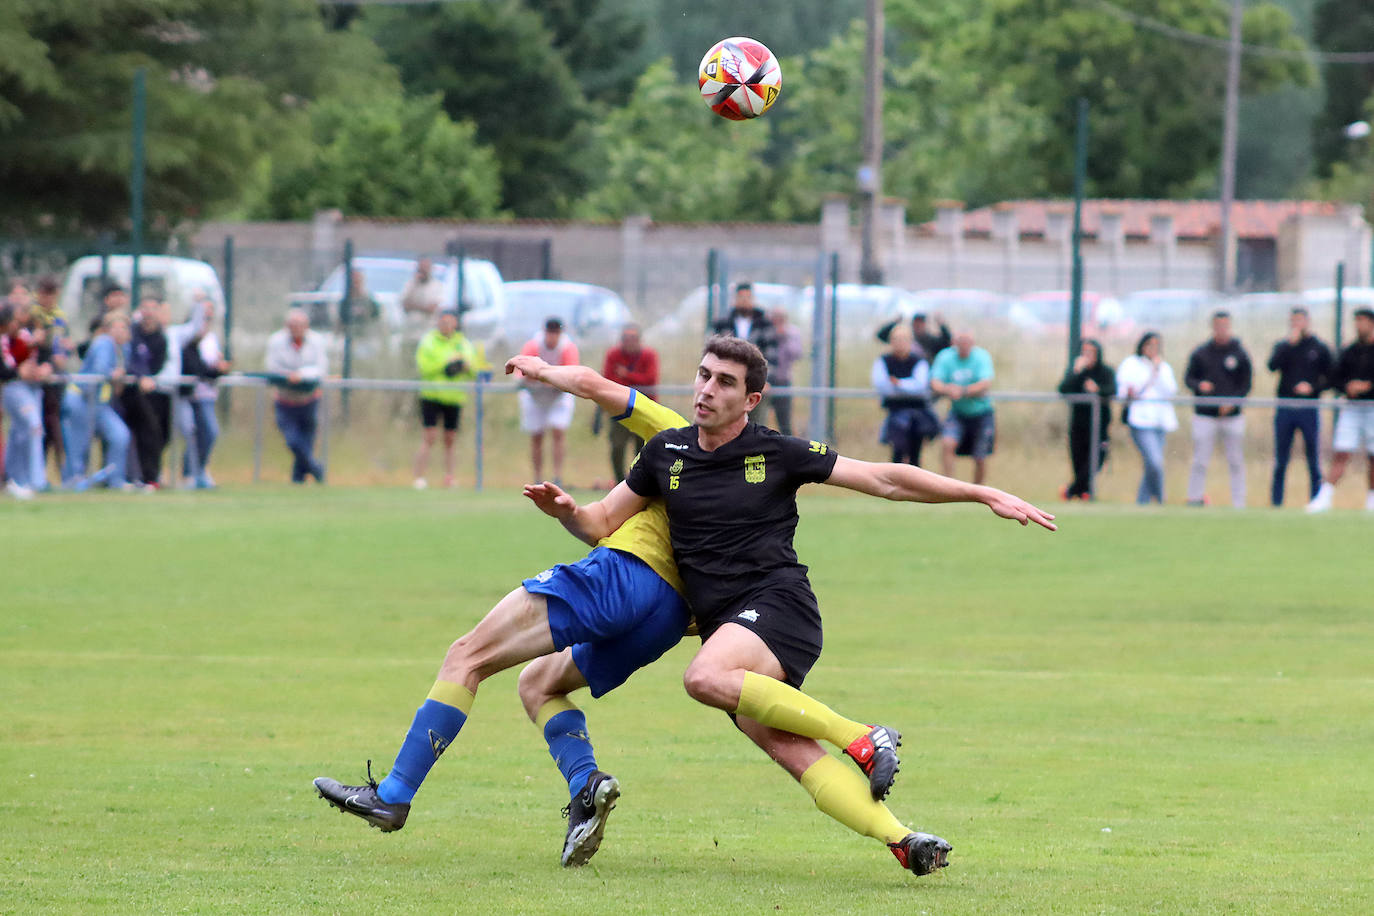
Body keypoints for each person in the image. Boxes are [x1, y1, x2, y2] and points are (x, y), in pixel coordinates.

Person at [530, 336, 1056, 876]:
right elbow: (598, 523)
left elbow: (884, 478)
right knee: (788, 749)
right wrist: (566, 511)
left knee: (703, 678)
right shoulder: (666, 452)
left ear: (752, 399)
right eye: (704, 375)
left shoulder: (775, 451)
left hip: (780, 607)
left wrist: (982, 493)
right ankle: (905, 840)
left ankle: (860, 735)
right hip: (727, 627)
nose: (707, 389)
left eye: (726, 382)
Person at [1306, 307, 1374, 513]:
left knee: (1372, 456)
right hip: (1352, 408)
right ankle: (1324, 498)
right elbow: (1335, 378)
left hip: (1372, 408)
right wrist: (1348, 387)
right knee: (1342, 452)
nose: (1358, 325)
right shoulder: (1350, 351)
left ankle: (1371, 501)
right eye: (1357, 321)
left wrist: (1368, 386)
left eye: (1363, 321)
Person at [1183, 311, 1253, 508]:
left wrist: (1234, 402)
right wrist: (1200, 385)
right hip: (1205, 415)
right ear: (1212, 327)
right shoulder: (1201, 353)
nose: (1221, 329)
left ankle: (1239, 503)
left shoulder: (1239, 353)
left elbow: (1246, 384)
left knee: (1236, 461)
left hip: (1232, 417)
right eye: (1218, 325)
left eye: (1225, 325)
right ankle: (1194, 499)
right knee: (1200, 460)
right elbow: (1189, 379)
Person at [1267, 307, 1332, 507]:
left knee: (1313, 459)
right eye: (1293, 321)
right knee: (1281, 460)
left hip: (1308, 408)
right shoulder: (1284, 345)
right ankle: (1276, 504)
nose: (1297, 325)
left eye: (1300, 321)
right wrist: (1288, 345)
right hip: (1285, 408)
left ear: (1307, 322)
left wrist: (1312, 388)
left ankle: (1315, 501)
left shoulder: (1318, 347)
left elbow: (1330, 377)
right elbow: (1272, 366)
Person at [60, 311, 132, 490]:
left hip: (99, 404)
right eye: (117, 327)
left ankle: (114, 479)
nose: (121, 332)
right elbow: (100, 370)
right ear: (108, 329)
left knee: (120, 435)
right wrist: (113, 374)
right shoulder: (104, 343)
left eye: (124, 328)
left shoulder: (123, 349)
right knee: (78, 443)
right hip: (80, 399)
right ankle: (72, 481)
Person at [412, 309, 483, 489]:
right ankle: (419, 477)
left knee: (450, 438)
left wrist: (464, 366)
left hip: (454, 396)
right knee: (430, 436)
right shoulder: (429, 341)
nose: (446, 326)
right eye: (443, 322)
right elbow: (424, 366)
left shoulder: (463, 343)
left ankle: (450, 477)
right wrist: (446, 366)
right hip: (432, 395)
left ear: (455, 324)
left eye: (450, 322)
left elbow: (474, 368)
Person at [265, 307, 327, 484]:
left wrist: (302, 375)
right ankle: (316, 469)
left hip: (309, 399)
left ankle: (297, 480)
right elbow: (272, 368)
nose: (297, 328)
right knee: (293, 440)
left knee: (306, 443)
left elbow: (321, 368)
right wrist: (288, 377)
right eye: (293, 325)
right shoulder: (276, 341)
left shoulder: (317, 341)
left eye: (300, 325)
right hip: (286, 400)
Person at [1116, 331, 1179, 505]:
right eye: (1149, 345)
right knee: (1155, 462)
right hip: (1140, 420)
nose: (1153, 350)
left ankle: (1142, 502)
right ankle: (1160, 499)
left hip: (1160, 421)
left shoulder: (1163, 367)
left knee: (1152, 465)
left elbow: (1171, 390)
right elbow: (1127, 390)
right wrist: (1150, 374)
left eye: (1156, 346)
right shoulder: (1131, 364)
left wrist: (1157, 369)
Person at [515, 317, 579, 485]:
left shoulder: (567, 348)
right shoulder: (533, 346)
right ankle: (537, 477)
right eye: (550, 333)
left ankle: (557, 477)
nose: (553, 337)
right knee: (537, 436)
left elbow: (571, 375)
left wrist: (546, 380)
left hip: (559, 397)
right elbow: (521, 375)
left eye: (556, 333)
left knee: (558, 432)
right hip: (535, 397)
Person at [928, 331, 996, 483]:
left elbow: (985, 384)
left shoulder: (981, 357)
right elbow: (935, 382)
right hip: (957, 412)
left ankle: (979, 491)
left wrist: (963, 391)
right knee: (947, 444)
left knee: (980, 456)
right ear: (954, 343)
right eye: (961, 342)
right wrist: (948, 389)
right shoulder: (945, 357)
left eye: (967, 342)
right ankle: (948, 487)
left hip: (981, 413)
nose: (964, 345)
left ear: (973, 343)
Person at [176, 297, 229, 489]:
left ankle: (199, 471)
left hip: (206, 395)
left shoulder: (210, 338)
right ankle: (190, 473)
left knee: (207, 433)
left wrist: (219, 369)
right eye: (204, 315)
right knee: (195, 432)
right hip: (188, 395)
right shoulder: (185, 337)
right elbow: (194, 366)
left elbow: (205, 369)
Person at [121, 298, 174, 488]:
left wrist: (148, 377)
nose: (149, 313)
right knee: (145, 430)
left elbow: (157, 365)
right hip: (130, 392)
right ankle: (145, 476)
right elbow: (130, 360)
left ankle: (151, 475)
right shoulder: (132, 333)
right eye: (146, 308)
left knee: (160, 433)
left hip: (155, 392)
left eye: (153, 308)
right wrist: (140, 376)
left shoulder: (161, 338)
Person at [711, 283, 778, 424]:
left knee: (756, 423)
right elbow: (713, 353)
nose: (744, 301)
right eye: (741, 297)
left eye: (747, 297)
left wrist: (766, 380)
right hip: (727, 380)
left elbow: (772, 354)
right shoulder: (723, 323)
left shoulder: (764, 323)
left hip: (756, 380)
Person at [1057, 339, 1116, 500]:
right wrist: (1076, 371)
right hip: (1079, 425)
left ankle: (1070, 491)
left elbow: (1112, 390)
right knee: (1078, 460)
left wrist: (1097, 389)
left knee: (1095, 461)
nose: (1087, 355)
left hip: (1099, 425)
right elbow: (1063, 389)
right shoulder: (1077, 372)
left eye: (1091, 352)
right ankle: (1085, 493)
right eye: (1085, 352)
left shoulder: (1106, 372)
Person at [2, 303, 50, 499]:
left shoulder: (24, 337)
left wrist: (45, 366)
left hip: (30, 388)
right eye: (15, 318)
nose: (19, 322)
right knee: (32, 427)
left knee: (20, 433)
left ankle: (17, 480)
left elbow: (35, 359)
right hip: (13, 388)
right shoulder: (6, 340)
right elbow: (8, 368)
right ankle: (30, 480)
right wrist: (18, 372)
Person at [871, 324, 936, 466]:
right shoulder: (884, 360)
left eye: (903, 339)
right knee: (898, 450)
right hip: (895, 412)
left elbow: (920, 386)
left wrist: (898, 383)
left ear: (910, 341)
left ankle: (914, 485)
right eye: (896, 339)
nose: (899, 343)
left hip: (919, 414)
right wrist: (907, 385)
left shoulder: (919, 361)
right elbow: (882, 386)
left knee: (915, 454)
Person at [601, 324, 659, 481]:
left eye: (633, 338)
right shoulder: (613, 355)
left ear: (640, 340)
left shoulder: (649, 355)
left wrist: (626, 374)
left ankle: (638, 483)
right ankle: (619, 482)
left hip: (644, 410)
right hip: (619, 409)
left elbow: (650, 379)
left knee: (643, 450)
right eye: (626, 338)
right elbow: (609, 381)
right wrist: (634, 379)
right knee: (617, 447)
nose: (630, 342)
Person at [767, 307, 803, 435]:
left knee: (784, 421)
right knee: (758, 418)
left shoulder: (792, 333)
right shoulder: (765, 331)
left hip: (783, 380)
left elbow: (797, 354)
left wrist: (784, 337)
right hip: (764, 381)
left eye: (780, 318)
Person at [876, 311, 951, 362]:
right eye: (916, 323)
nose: (918, 326)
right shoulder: (906, 338)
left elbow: (947, 343)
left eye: (921, 323)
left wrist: (942, 325)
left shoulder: (932, 340)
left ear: (925, 324)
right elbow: (881, 336)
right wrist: (894, 323)